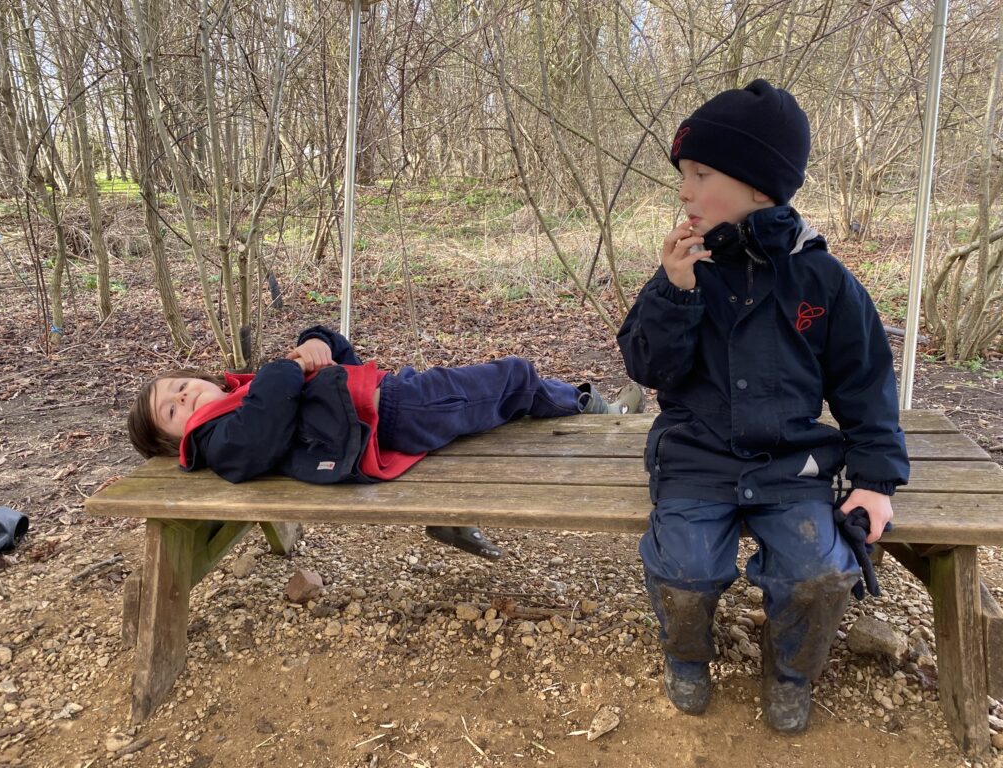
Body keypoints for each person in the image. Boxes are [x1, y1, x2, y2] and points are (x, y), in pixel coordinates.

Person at [617, 79, 909, 732]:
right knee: (683, 567)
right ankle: (687, 655)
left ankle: (792, 669)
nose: (684, 191)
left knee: (820, 573)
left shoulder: (822, 280)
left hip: (790, 464)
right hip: (696, 456)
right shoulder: (686, 269)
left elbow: (866, 383)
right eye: (682, 176)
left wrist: (875, 480)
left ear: (759, 187)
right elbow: (647, 368)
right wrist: (676, 292)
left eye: (700, 173)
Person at [128, 323, 644, 560]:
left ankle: (451, 517)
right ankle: (597, 410)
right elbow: (263, 430)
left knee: (488, 408)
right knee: (512, 378)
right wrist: (285, 366)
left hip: (380, 403)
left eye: (180, 387)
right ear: (173, 442)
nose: (183, 400)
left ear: (200, 378)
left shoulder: (236, 397)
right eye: (170, 413)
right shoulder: (218, 437)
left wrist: (314, 341)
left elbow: (317, 364)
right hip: (390, 415)